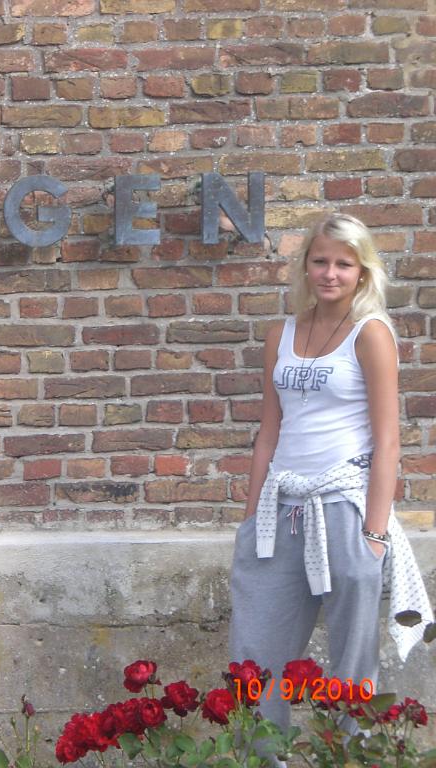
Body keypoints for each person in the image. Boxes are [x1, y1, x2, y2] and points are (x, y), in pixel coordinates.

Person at [229, 212, 432, 732]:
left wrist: (374, 535)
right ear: (305, 266)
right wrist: (250, 520)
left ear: (362, 271)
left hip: (344, 507)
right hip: (280, 508)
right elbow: (269, 431)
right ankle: (262, 756)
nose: (331, 273)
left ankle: (350, 753)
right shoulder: (280, 334)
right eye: (321, 261)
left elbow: (388, 440)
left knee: (351, 662)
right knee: (254, 654)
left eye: (345, 263)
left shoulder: (371, 333)